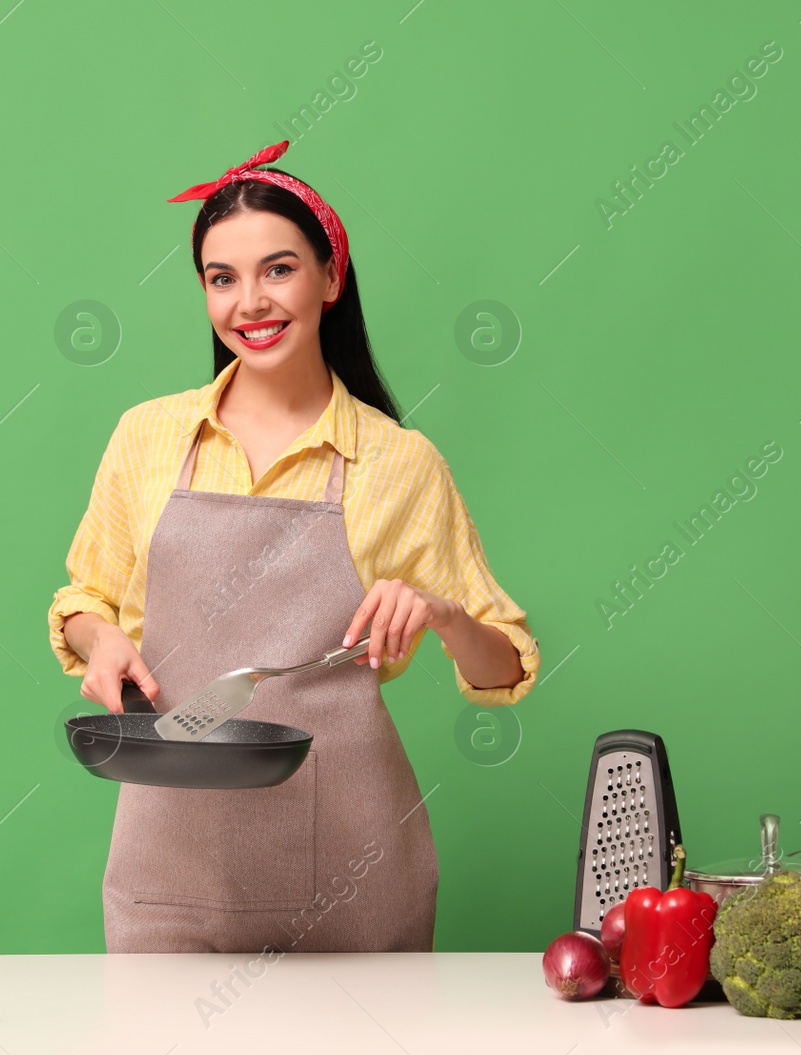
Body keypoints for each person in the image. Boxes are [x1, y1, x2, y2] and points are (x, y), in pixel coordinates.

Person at [48, 141, 540, 953]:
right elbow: (82, 600)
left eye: (278, 269)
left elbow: (507, 664)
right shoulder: (148, 435)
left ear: (330, 276)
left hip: (354, 870)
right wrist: (99, 640)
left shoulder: (396, 461)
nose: (250, 302)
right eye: (222, 277)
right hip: (169, 865)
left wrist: (444, 613)